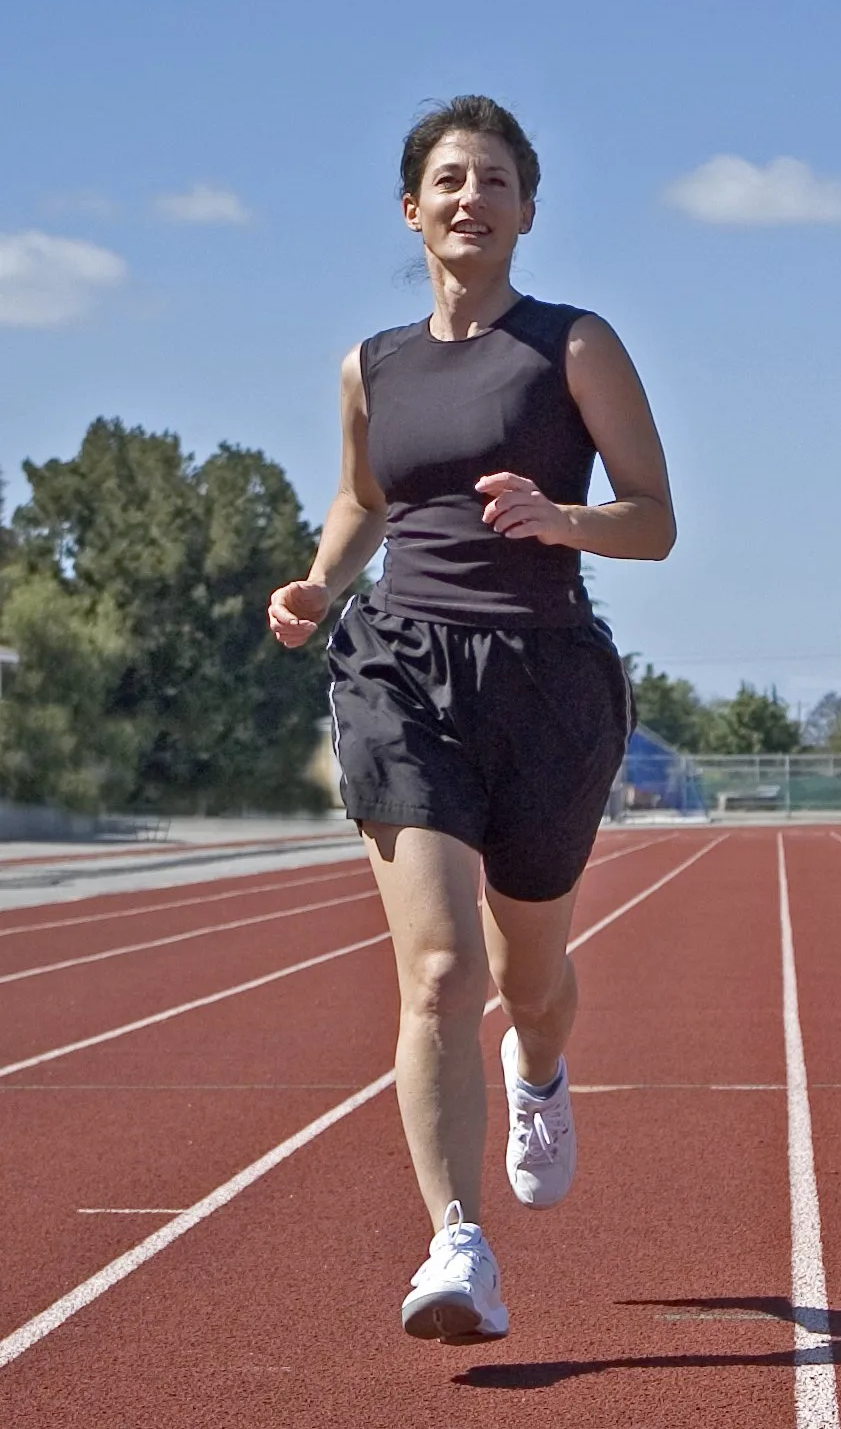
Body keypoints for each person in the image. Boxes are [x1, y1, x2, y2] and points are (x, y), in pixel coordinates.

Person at [268, 96, 675, 1344]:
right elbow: (361, 500)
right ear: (413, 207)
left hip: (546, 674)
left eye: (495, 180)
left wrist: (567, 518)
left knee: (528, 976)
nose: (470, 198)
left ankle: (539, 1069)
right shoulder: (371, 363)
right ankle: (458, 1243)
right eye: (449, 179)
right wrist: (321, 581)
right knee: (439, 968)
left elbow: (654, 517)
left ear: (526, 211)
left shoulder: (574, 346)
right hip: (399, 664)